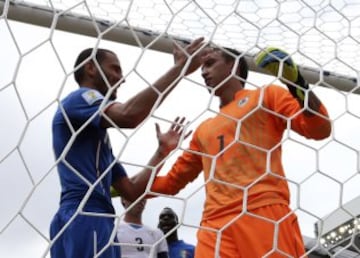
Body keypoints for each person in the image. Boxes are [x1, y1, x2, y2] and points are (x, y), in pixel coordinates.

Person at [149, 46, 332, 257]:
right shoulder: (203, 130)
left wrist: (295, 82)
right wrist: (119, 182)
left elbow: (319, 129)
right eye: (201, 66)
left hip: (262, 211)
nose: (203, 72)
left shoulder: (266, 96)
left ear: (233, 65)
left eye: (210, 63)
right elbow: (171, 182)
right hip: (214, 225)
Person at [49, 37, 206, 258]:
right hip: (86, 215)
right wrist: (179, 69)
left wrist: (161, 153)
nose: (121, 78)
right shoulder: (80, 98)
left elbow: (132, 190)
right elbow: (128, 116)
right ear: (91, 68)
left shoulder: (96, 142)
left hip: (92, 216)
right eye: (114, 69)